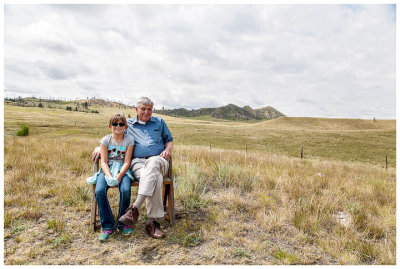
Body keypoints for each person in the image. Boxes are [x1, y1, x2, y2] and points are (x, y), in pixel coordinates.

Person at [92, 97, 173, 239]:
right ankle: (152, 223)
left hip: (159, 160)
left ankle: (134, 208)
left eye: (149, 109)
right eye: (143, 109)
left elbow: (169, 140)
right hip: (137, 163)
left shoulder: (159, 122)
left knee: (153, 163)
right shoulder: (127, 124)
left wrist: (168, 149)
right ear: (136, 109)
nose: (146, 112)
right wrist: (100, 147)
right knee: (156, 178)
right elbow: (116, 133)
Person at [93, 113, 135, 242]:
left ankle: (122, 223)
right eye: (115, 124)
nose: (118, 126)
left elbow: (127, 162)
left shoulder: (129, 140)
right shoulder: (105, 140)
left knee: (126, 190)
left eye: (121, 124)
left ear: (125, 126)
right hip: (107, 170)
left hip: (123, 170)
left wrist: (120, 175)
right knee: (99, 191)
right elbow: (104, 162)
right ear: (110, 126)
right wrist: (109, 175)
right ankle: (108, 226)